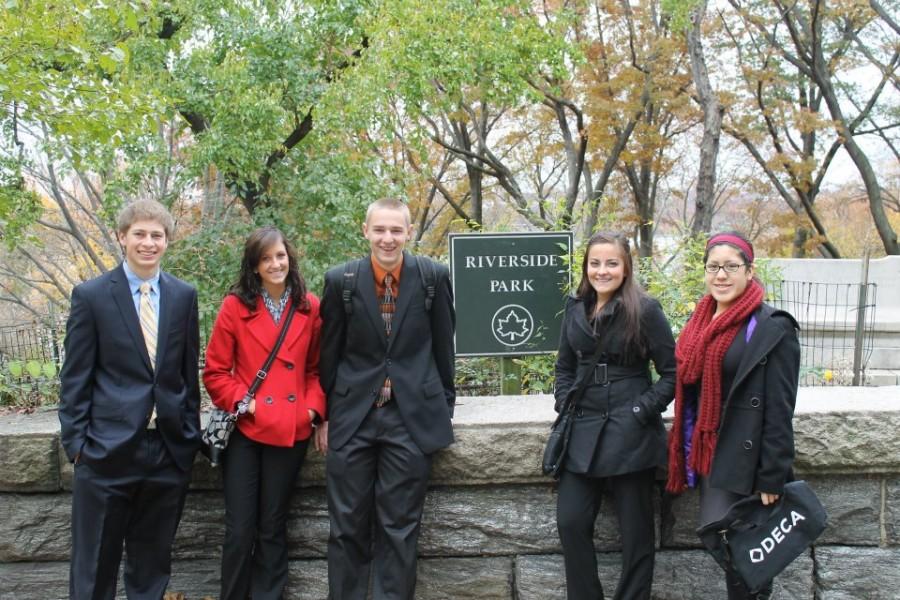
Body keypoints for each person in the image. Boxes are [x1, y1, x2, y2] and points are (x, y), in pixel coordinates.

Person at [58, 199, 201, 600]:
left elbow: (188, 374)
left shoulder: (183, 296)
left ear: (167, 242)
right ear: (122, 238)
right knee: (94, 570)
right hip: (105, 453)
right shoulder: (91, 296)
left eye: (157, 235)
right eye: (139, 234)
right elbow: (75, 379)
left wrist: (186, 438)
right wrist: (77, 447)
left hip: (167, 451)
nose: (148, 243)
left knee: (152, 567)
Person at [317, 198, 456, 600]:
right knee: (345, 528)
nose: (388, 238)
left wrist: (442, 408)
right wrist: (325, 415)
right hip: (353, 418)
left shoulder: (432, 277)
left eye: (396, 230)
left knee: (400, 528)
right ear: (366, 231)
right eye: (380, 229)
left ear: (408, 233)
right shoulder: (340, 280)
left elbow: (443, 347)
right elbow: (330, 352)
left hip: (409, 420)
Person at [666, 231, 800, 600]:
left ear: (749, 270)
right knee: (727, 544)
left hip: (749, 461)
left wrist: (772, 476)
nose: (720, 275)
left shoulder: (772, 326)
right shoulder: (700, 321)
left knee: (750, 554)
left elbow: (780, 407)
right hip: (711, 452)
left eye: (730, 266)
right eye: (713, 267)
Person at [203, 226, 326, 600]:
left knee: (272, 526)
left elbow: (317, 370)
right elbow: (215, 372)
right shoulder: (235, 307)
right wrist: (249, 404)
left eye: (280, 256)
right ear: (254, 266)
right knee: (240, 528)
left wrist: (311, 412)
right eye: (266, 258)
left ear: (290, 258)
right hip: (244, 430)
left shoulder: (310, 306)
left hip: (290, 429)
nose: (275, 264)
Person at [554, 231, 676, 600]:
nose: (602, 270)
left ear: (625, 267)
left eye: (611, 263)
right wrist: (565, 402)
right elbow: (564, 367)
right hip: (583, 429)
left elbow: (672, 374)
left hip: (630, 431)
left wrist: (640, 410)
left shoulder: (646, 310)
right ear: (586, 266)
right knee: (571, 522)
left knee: (637, 534)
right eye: (595, 263)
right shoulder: (575, 306)